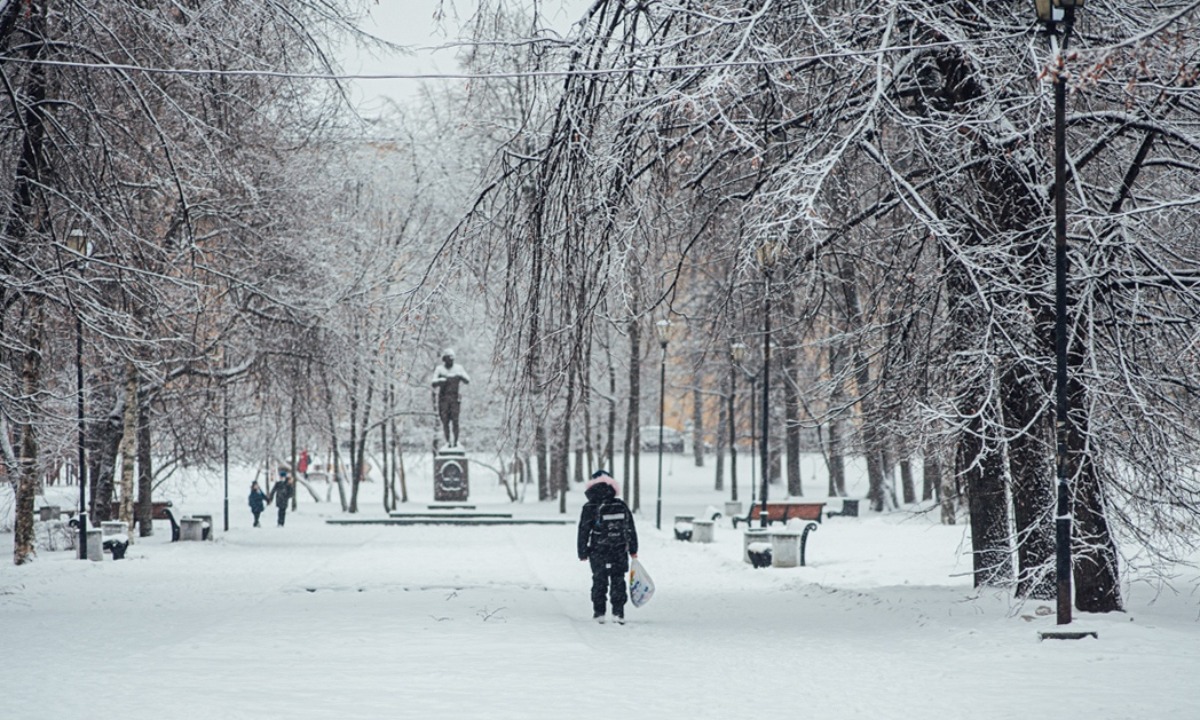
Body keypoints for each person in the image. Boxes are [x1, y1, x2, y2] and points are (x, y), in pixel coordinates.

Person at [577, 469, 638, 624]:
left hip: (598, 550)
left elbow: (583, 530)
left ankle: (599, 613)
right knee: (618, 580)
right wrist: (633, 550)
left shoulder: (590, 506)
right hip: (618, 549)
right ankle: (618, 613)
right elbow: (630, 527)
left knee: (599, 580)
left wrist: (582, 552)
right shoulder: (620, 504)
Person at [431, 348, 470, 447]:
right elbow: (433, 382)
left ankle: (456, 441)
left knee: (455, 421)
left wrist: (459, 375)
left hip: (454, 399)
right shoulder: (440, 369)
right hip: (443, 399)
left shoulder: (458, 368)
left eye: (452, 359)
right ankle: (448, 441)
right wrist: (442, 380)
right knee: (445, 421)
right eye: (449, 359)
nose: (450, 361)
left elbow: (467, 380)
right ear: (445, 359)